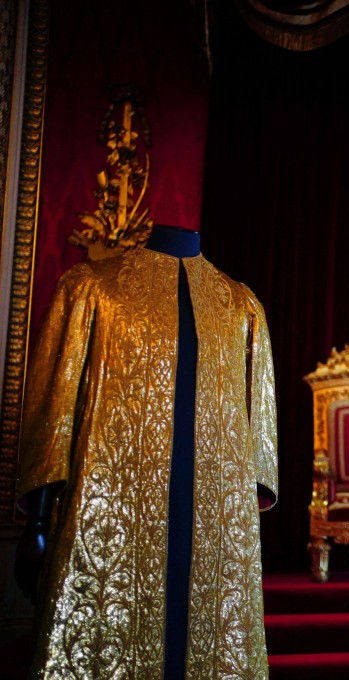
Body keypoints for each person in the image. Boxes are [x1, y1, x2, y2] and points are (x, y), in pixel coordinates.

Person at [15, 225, 278, 679]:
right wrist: (37, 520)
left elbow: (259, 437)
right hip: (111, 509)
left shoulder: (240, 304)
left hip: (212, 520)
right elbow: (54, 405)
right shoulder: (90, 287)